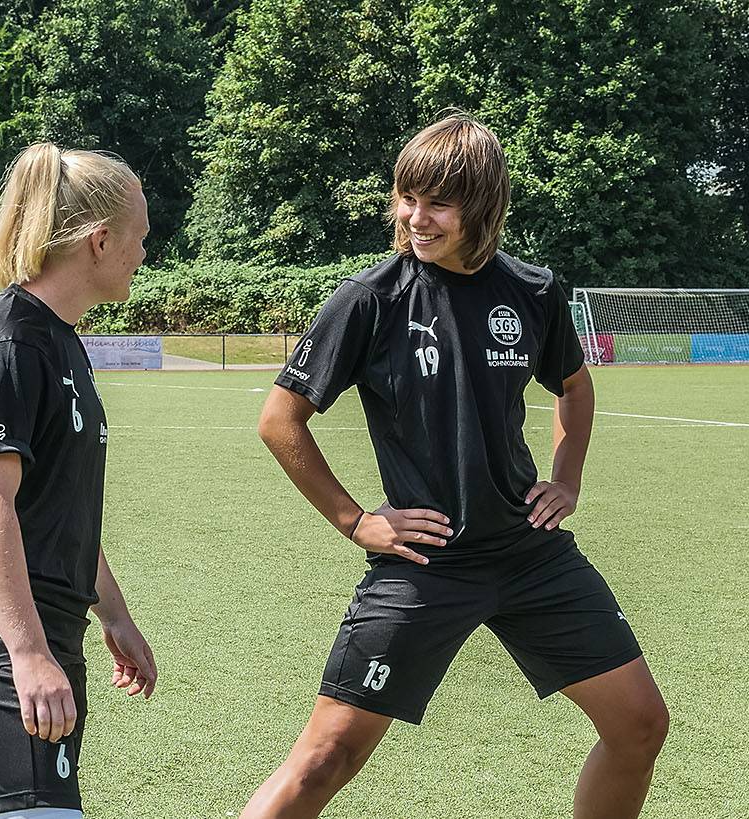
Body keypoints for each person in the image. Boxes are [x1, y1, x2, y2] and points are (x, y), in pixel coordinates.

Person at [242, 114, 669, 819]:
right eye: (406, 197)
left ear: (483, 206)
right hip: (426, 561)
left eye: (436, 202)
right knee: (325, 757)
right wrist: (356, 521)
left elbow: (574, 386)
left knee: (639, 724)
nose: (415, 216)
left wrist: (566, 477)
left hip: (532, 558)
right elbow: (278, 419)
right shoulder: (370, 298)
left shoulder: (531, 291)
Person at [0, 143, 158, 819]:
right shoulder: (7, 345)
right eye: (139, 238)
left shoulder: (59, 341)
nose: (144, 254)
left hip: (47, 632)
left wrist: (111, 611)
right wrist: (25, 653)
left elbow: (59, 508)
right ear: (100, 240)